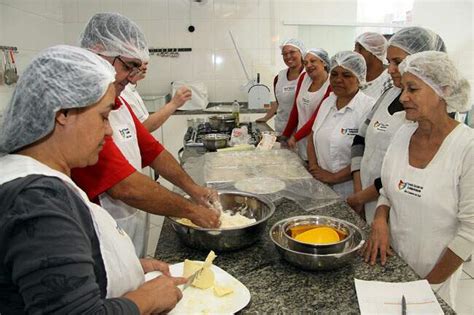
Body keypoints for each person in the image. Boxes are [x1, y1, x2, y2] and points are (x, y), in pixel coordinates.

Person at [0, 45, 186, 314]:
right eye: (103, 116)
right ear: (62, 113)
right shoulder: (36, 200)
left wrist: (125, 269)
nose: (109, 130)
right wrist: (146, 299)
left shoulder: (39, 179)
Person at [71, 13, 220, 258]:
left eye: (136, 68)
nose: (132, 77)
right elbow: (124, 186)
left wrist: (194, 189)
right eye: (128, 66)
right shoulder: (81, 108)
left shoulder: (118, 101)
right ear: (97, 52)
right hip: (98, 236)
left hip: (129, 225)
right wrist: (192, 211)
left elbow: (152, 150)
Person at [362, 51, 474, 310]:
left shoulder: (466, 148)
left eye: (412, 88)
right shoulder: (403, 134)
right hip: (392, 266)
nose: (403, 97)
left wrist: (425, 289)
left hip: (436, 280)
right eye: (403, 88)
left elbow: (469, 232)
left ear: (443, 91)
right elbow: (387, 191)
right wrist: (380, 220)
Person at [348, 27, 447, 223]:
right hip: (366, 200)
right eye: (389, 62)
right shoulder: (389, 94)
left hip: (397, 208)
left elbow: (405, 170)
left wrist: (362, 196)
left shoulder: (433, 111)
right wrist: (358, 189)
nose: (390, 69)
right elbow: (360, 137)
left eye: (398, 62)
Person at [307, 51, 375, 199]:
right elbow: (313, 135)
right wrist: (314, 168)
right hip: (322, 184)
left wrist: (334, 177)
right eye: (334, 74)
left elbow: (367, 155)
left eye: (346, 75)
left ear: (359, 78)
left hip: (351, 189)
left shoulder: (369, 108)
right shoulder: (328, 101)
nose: (338, 80)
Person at [281, 48, 332, 160]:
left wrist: (295, 137)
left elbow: (317, 117)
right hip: (300, 141)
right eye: (305, 63)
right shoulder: (304, 78)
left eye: (313, 61)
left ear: (323, 62)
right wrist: (285, 135)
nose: (308, 65)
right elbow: (296, 109)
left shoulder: (330, 85)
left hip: (316, 142)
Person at [122, 61, 193, 132]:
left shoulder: (131, 88)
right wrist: (174, 103)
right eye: (139, 62)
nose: (145, 67)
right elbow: (144, 127)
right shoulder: (124, 91)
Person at [256, 38, 306, 135]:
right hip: (282, 129)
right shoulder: (279, 77)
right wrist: (266, 118)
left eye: (292, 52)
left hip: (301, 130)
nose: (288, 56)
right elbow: (278, 103)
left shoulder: (308, 76)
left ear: (301, 52)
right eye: (284, 54)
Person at [354, 32, 392, 99]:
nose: (355, 52)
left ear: (373, 52)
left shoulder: (389, 79)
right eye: (355, 49)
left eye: (360, 49)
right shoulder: (355, 76)